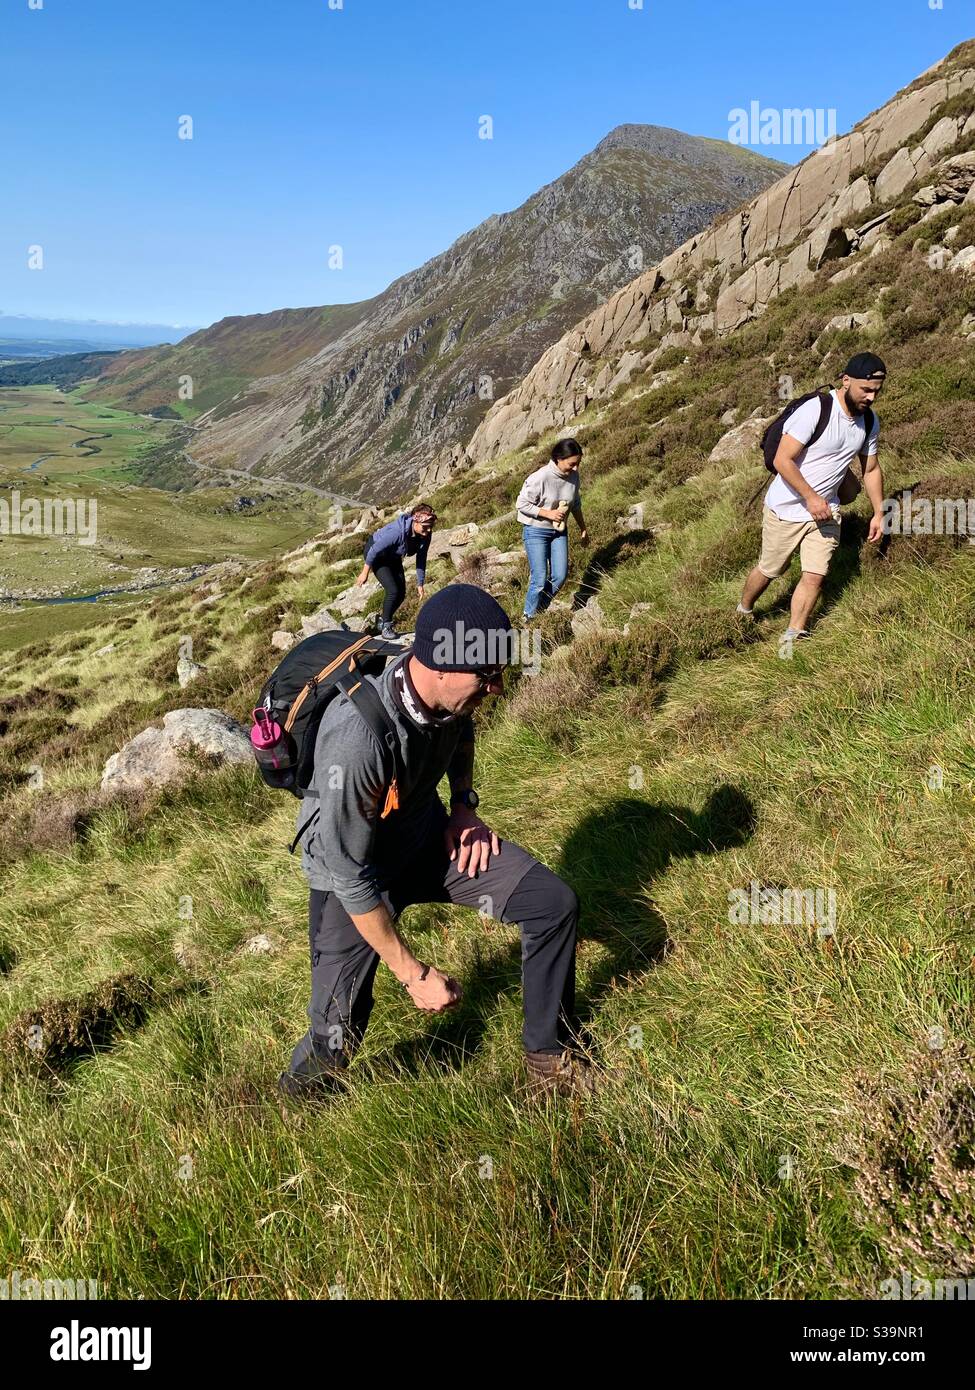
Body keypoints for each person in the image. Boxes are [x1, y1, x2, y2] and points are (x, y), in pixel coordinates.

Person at [281, 583, 596, 1102]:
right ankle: (295, 1106)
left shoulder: (450, 695)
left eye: (500, 674)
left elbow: (461, 728)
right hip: (353, 879)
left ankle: (548, 1060)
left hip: (426, 838)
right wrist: (414, 973)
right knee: (337, 1032)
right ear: (441, 667)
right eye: (487, 676)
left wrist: (464, 809)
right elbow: (350, 873)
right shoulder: (356, 741)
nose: (496, 689)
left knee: (552, 905)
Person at [737, 353, 887, 641]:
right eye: (865, 390)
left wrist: (879, 512)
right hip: (786, 509)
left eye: (876, 392)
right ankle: (743, 609)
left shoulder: (869, 421)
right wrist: (810, 497)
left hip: (826, 512)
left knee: (815, 575)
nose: (870, 397)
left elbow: (871, 469)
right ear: (846, 381)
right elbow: (783, 460)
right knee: (771, 570)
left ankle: (794, 634)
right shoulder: (816, 410)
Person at [516, 438, 589, 619]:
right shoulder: (540, 477)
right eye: (572, 464)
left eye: (578, 464)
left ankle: (539, 609)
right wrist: (549, 514)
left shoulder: (574, 477)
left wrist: (583, 528)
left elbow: (575, 504)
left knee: (560, 575)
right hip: (536, 531)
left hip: (559, 532)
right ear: (558, 458)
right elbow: (521, 504)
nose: (575, 469)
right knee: (539, 579)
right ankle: (529, 616)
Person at [355, 503, 437, 640]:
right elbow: (374, 550)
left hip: (393, 555)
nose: (428, 530)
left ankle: (382, 620)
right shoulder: (397, 532)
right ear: (416, 521)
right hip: (377, 554)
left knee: (401, 593)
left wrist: (420, 583)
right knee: (393, 590)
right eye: (426, 526)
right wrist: (365, 573)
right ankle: (386, 627)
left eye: (431, 526)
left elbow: (421, 559)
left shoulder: (425, 535)